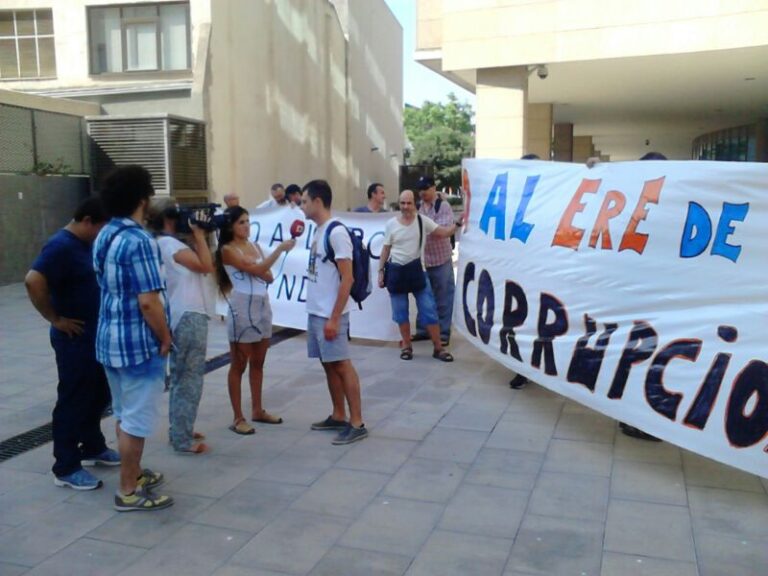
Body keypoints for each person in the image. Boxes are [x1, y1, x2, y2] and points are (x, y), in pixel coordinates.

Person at [93, 165, 173, 512]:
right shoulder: (140, 241)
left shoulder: (105, 234)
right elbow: (148, 301)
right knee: (137, 420)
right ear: (143, 200)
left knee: (125, 413)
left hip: (110, 340)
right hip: (139, 345)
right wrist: (165, 337)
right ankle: (128, 490)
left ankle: (134, 473)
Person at [25, 197, 118, 491]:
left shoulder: (84, 245)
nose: (103, 234)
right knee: (74, 398)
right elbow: (33, 280)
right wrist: (55, 319)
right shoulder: (61, 246)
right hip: (74, 338)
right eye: (101, 228)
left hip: (94, 336)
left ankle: (91, 446)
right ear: (87, 221)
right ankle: (65, 465)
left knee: (99, 393)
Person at [587, 151, 667, 441]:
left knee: (650, 362)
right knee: (635, 361)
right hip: (634, 298)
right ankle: (638, 418)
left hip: (657, 301)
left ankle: (649, 423)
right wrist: (597, 173)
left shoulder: (673, 204)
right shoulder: (630, 201)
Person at [215, 206, 295, 435]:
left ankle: (257, 409)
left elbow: (266, 274)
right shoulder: (228, 250)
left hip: (261, 302)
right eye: (241, 222)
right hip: (242, 304)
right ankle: (237, 416)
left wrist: (259, 267)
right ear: (230, 226)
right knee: (239, 363)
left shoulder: (254, 246)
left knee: (258, 361)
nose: (247, 226)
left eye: (248, 221)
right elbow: (260, 268)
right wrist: (278, 250)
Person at [300, 179, 368, 445]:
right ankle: (338, 414)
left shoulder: (336, 233)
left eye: (305, 201)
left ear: (318, 201)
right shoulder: (319, 230)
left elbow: (347, 279)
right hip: (317, 313)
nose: (302, 206)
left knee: (341, 364)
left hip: (331, 315)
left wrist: (335, 317)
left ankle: (357, 422)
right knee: (328, 364)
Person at [147, 198, 214, 454]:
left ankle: (180, 428)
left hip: (180, 314)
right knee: (189, 380)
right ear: (169, 217)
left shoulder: (162, 244)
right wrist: (199, 235)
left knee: (180, 377)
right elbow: (206, 266)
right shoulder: (170, 244)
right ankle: (182, 440)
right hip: (189, 315)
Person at [379, 189, 457, 362]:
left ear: (415, 204)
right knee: (400, 313)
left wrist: (457, 226)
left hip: (418, 273)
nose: (406, 207)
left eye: (409, 203)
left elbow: (443, 232)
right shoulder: (391, 224)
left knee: (429, 311)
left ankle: (438, 348)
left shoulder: (422, 221)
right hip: (397, 272)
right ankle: (407, 346)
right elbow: (386, 249)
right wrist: (380, 271)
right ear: (399, 204)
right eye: (402, 203)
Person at [413, 176, 456, 347]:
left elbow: (442, 231)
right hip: (423, 260)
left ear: (434, 188)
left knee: (444, 297)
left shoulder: (443, 206)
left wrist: (421, 229)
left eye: (426, 188)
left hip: (441, 259)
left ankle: (444, 333)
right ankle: (423, 331)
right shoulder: (418, 207)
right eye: (420, 189)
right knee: (423, 296)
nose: (423, 192)